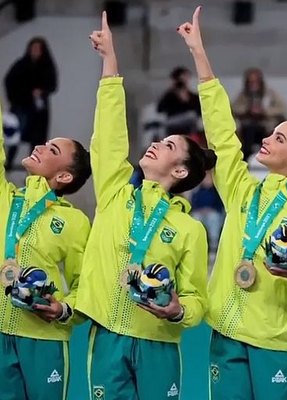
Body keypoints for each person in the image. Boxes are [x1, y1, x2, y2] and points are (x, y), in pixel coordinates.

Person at [177, 7, 287, 400]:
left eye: (279, 139)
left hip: (274, 342)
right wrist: (199, 55)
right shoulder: (245, 192)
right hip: (225, 335)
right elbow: (222, 136)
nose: (266, 139)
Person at [76, 12, 215, 400]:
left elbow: (196, 299)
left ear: (182, 169)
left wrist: (178, 311)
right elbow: (108, 135)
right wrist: (110, 63)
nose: (155, 144)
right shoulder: (116, 194)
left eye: (169, 145)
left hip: (158, 344)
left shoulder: (190, 229)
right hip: (106, 336)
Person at [0, 84, 91, 399]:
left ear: (64, 177)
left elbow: (86, 284)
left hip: (44, 339)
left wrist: (65, 309)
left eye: (52, 150)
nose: (40, 146)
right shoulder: (5, 197)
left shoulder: (75, 221)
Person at [4, 37, 58, 171]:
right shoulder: (21, 65)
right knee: (14, 137)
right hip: (20, 107)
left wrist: (41, 91)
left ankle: (33, 169)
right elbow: (9, 81)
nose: (35, 51)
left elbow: (52, 85)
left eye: (38, 49)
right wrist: (18, 96)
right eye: (33, 48)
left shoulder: (47, 66)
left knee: (37, 140)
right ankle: (7, 164)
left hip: (38, 111)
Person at [233, 67, 287, 161]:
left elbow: (282, 109)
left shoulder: (270, 94)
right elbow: (235, 108)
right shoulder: (243, 95)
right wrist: (248, 110)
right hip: (248, 128)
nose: (253, 85)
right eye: (251, 82)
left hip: (266, 127)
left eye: (256, 82)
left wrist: (264, 111)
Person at [157, 66, 202, 136]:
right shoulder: (169, 95)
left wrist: (185, 98)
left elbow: (199, 112)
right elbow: (159, 109)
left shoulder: (193, 96)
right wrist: (174, 91)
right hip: (172, 122)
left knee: (192, 117)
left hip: (188, 125)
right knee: (191, 116)